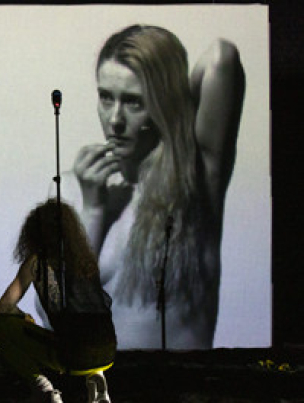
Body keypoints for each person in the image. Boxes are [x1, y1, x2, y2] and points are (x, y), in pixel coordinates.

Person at [55, 25, 245, 349]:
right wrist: (93, 210)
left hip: (182, 380)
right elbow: (56, 317)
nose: (114, 120)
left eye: (134, 102)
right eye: (106, 97)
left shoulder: (195, 178)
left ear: (162, 104)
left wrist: (174, 109)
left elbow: (221, 57)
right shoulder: (73, 188)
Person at [0, 199, 116, 403]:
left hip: (74, 356)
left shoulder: (36, 262)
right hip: (108, 351)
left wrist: (22, 316)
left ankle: (43, 391)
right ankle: (97, 380)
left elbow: (3, 307)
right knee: (85, 331)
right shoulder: (85, 259)